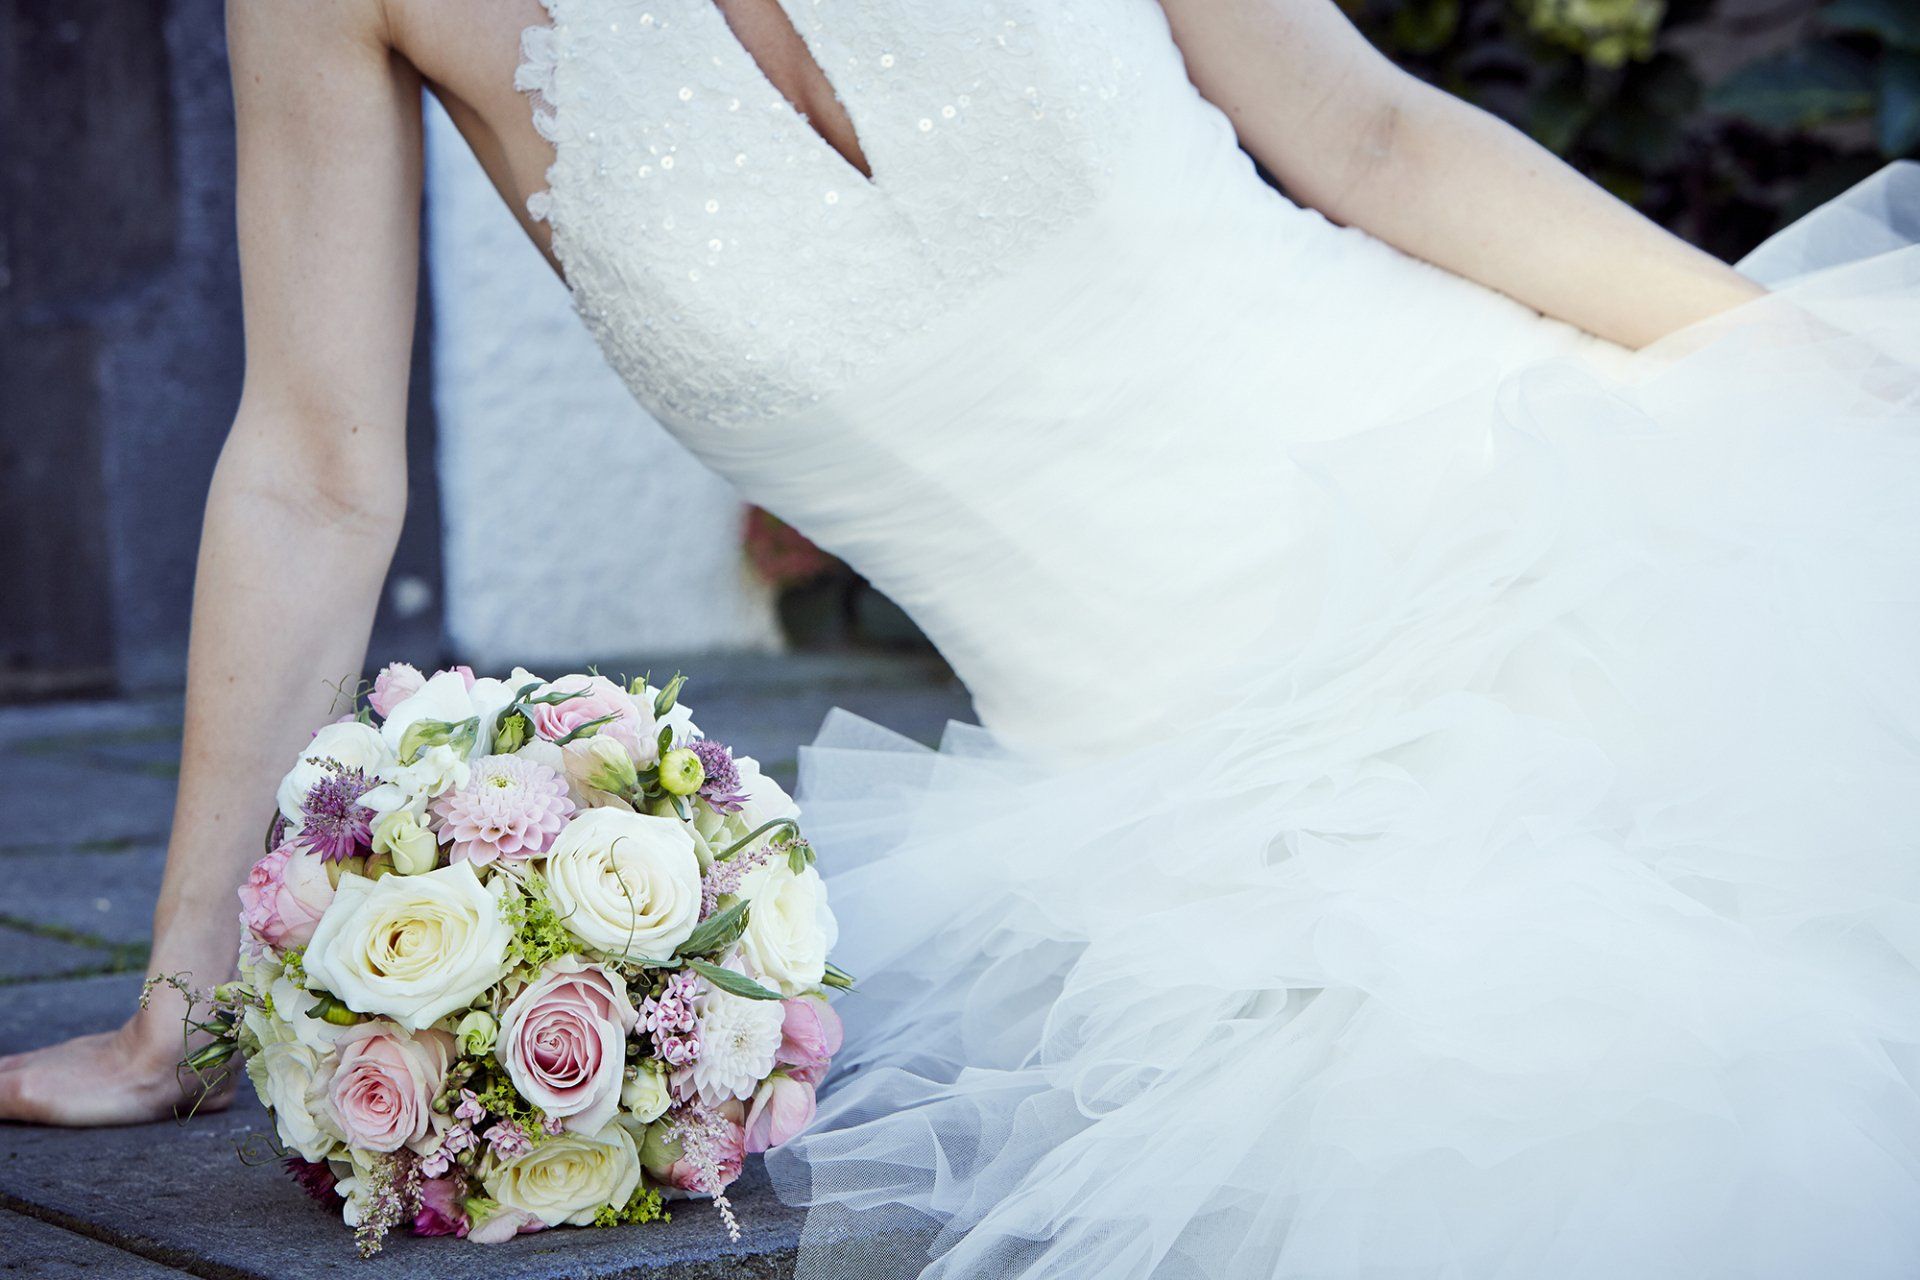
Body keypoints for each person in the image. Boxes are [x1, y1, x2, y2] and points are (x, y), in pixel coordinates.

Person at [5, 1, 1917, 1275]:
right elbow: (317, 468)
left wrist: (1793, 374)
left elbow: (1372, 133)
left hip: (1556, 505)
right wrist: (190, 994)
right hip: (1176, 791)